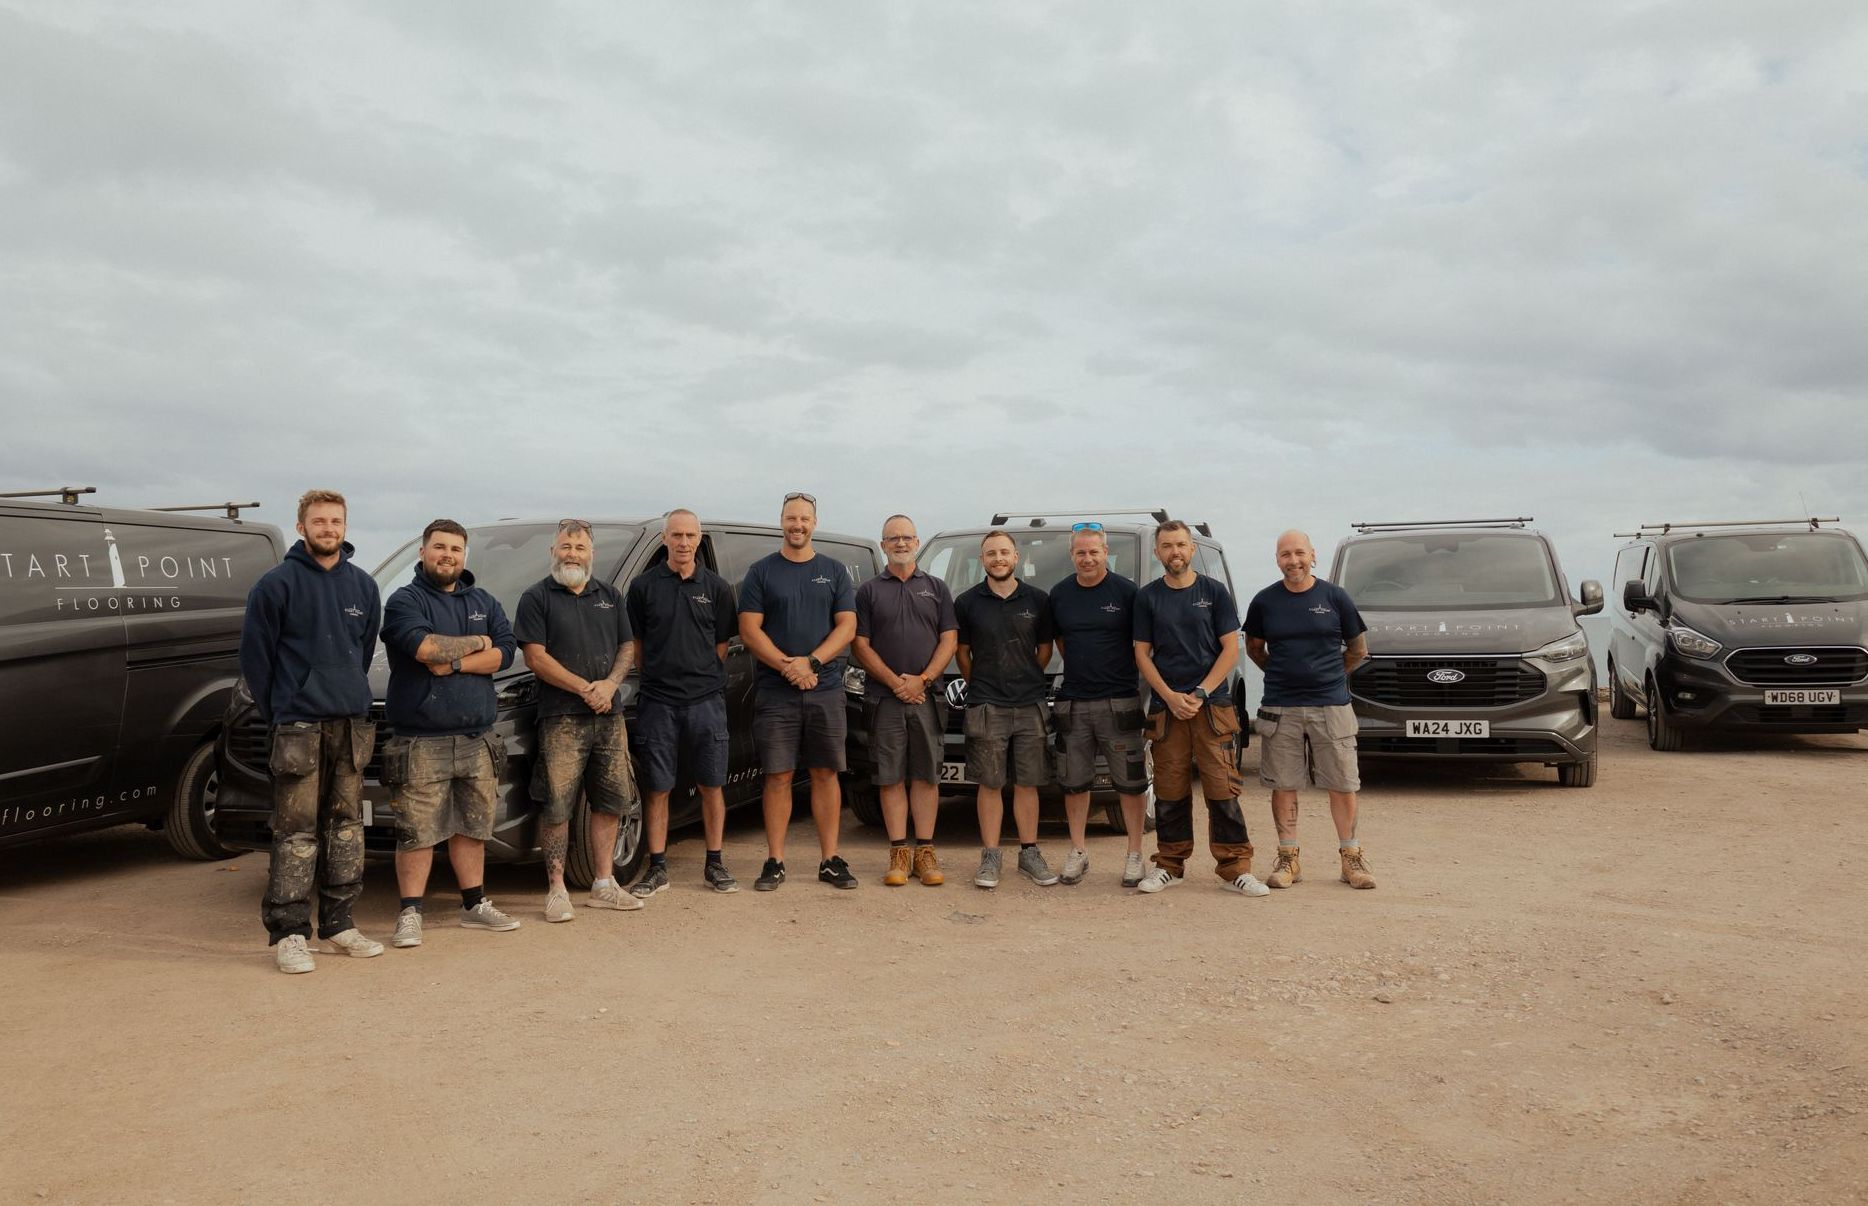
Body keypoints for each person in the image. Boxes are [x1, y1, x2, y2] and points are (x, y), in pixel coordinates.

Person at [239, 489, 384, 974]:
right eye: (319, 521)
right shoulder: (275, 585)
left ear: (345, 526)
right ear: (301, 527)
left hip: (350, 724)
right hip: (297, 727)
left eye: (336, 520)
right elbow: (256, 661)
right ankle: (289, 933)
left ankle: (340, 924)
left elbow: (360, 654)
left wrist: (342, 694)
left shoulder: (364, 587)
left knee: (347, 831)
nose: (328, 528)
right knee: (295, 833)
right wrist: (285, 709)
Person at [379, 519, 523, 947]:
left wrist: (458, 658)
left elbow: (505, 653)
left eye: (456, 549)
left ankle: (474, 905)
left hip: (477, 738)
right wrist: (479, 643)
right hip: (421, 740)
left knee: (473, 828)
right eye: (439, 547)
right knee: (417, 832)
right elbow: (424, 650)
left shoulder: (484, 601)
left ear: (465, 555)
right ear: (423, 552)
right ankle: (410, 912)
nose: (448, 555)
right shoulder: (404, 601)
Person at [513, 519, 643, 920]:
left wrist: (610, 685)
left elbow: (627, 646)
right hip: (561, 718)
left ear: (592, 553)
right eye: (565, 546)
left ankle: (603, 883)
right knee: (556, 805)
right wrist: (585, 688)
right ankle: (556, 889)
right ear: (553, 551)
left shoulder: (610, 595)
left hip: (609, 715)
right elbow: (536, 657)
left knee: (610, 801)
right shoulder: (536, 598)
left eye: (580, 547)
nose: (572, 553)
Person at [1132, 520, 1268, 896]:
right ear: (1157, 552)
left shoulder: (1214, 591)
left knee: (1223, 789)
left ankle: (1235, 868)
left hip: (1212, 707)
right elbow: (1141, 653)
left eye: (1180, 545)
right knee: (1170, 791)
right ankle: (1170, 866)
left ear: (1191, 549)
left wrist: (1200, 692)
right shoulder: (1148, 597)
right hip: (1166, 708)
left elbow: (1229, 649)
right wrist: (1170, 696)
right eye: (1167, 546)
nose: (1174, 552)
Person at [738, 492, 859, 890]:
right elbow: (750, 630)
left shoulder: (835, 571)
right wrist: (788, 667)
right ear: (781, 521)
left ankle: (829, 860)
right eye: (792, 518)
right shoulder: (761, 572)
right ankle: (774, 861)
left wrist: (812, 663)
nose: (798, 525)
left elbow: (846, 627)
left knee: (826, 774)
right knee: (778, 775)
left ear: (814, 523)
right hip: (776, 691)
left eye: (805, 519)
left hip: (824, 689)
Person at [1244, 529, 1376, 890]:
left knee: (1343, 784)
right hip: (1281, 706)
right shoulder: (1264, 602)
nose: (1293, 561)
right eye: (1285, 554)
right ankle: (1289, 860)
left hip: (1331, 705)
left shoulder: (1335, 598)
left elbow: (1357, 649)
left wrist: (1330, 676)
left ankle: (1352, 860)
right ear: (1277, 560)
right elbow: (1255, 648)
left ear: (1313, 555)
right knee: (1284, 785)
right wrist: (1283, 674)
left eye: (1299, 553)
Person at [624, 509, 741, 895]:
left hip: (705, 701)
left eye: (691, 536)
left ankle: (715, 863)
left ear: (699, 539)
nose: (684, 542)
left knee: (711, 784)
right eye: (677, 535)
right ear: (665, 539)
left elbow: (721, 646)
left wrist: (698, 673)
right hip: (658, 701)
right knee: (658, 786)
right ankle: (657, 868)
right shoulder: (643, 588)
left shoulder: (718, 588)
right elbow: (637, 646)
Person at [851, 514, 958, 887]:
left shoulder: (937, 587)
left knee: (926, 775)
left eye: (907, 537)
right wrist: (896, 682)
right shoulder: (867, 591)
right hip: (885, 698)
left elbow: (949, 639)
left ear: (917, 542)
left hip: (926, 697)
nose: (900, 543)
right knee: (890, 776)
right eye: (892, 538)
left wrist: (924, 679)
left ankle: (925, 853)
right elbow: (860, 645)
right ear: (882, 545)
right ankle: (898, 852)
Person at [953, 529, 1059, 890]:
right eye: (990, 553)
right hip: (985, 703)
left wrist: (1026, 676)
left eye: (1004, 552)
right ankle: (991, 857)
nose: (998, 558)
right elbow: (962, 654)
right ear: (982, 560)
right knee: (990, 782)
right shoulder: (967, 602)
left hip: (1029, 703)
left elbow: (1044, 650)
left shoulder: (1039, 600)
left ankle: (1029, 854)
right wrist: (982, 682)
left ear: (1016, 558)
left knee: (1028, 782)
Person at [1047, 522, 1149, 887]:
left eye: (1094, 551)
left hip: (1119, 701)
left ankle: (1134, 855)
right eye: (1080, 552)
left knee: (1130, 782)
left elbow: (1142, 645)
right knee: (1074, 782)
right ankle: (1078, 852)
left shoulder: (1127, 593)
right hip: (1074, 702)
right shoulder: (1059, 595)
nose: (1087, 558)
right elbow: (1060, 642)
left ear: (1106, 553)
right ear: (1071, 555)